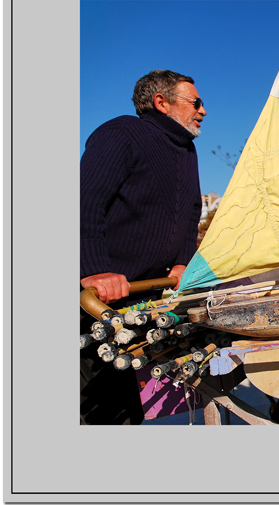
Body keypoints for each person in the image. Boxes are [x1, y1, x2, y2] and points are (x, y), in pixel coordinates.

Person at [79, 69, 206, 424]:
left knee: (126, 401)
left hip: (142, 295)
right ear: (161, 102)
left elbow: (190, 213)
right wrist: (94, 269)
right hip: (95, 296)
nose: (203, 110)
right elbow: (84, 202)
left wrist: (182, 263)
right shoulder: (121, 133)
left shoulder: (187, 150)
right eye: (195, 102)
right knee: (94, 405)